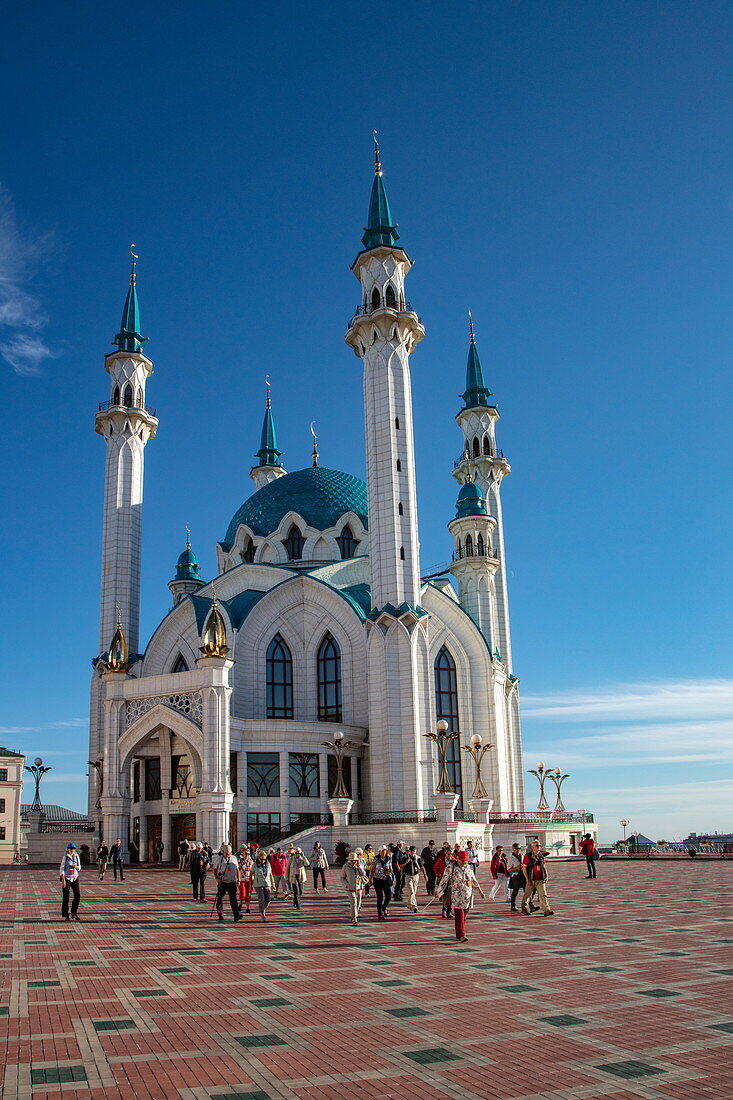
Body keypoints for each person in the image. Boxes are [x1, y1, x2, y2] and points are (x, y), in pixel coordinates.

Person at [436, 849, 485, 943]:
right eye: (462, 861)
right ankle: (461, 934)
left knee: (464, 914)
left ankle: (460, 933)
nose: (464, 863)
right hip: (457, 895)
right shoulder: (450, 868)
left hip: (467, 895)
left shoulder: (468, 867)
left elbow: (473, 880)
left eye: (465, 861)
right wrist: (438, 891)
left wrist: (480, 891)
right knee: (459, 915)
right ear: (458, 859)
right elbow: (444, 881)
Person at [521, 841, 554, 916]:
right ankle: (524, 908)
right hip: (531, 878)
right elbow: (524, 868)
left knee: (543, 894)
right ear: (532, 847)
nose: (539, 847)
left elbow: (544, 866)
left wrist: (546, 876)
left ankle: (546, 910)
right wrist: (527, 879)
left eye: (539, 845)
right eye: (537, 845)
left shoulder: (541, 855)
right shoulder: (528, 856)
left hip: (540, 879)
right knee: (527, 895)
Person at [214, 844, 242, 922]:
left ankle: (236, 915)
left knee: (233, 899)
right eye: (226, 853)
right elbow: (215, 869)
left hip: (232, 882)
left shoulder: (234, 858)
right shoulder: (219, 859)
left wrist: (238, 880)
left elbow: (237, 869)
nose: (228, 854)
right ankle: (220, 913)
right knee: (220, 899)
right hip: (222, 882)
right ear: (223, 852)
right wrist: (216, 878)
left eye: (229, 853)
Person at [341, 849, 368, 925]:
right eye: (352, 861)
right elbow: (342, 877)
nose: (353, 862)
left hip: (358, 886)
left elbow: (363, 874)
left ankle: (355, 913)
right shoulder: (346, 866)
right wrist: (346, 885)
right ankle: (354, 917)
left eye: (355, 860)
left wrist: (359, 866)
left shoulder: (357, 866)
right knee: (353, 901)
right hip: (350, 887)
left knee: (358, 902)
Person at [369, 845, 394, 921]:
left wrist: (389, 870)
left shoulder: (389, 858)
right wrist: (370, 880)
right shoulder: (376, 859)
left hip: (386, 879)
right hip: (377, 879)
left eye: (385, 851)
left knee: (389, 895)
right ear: (379, 851)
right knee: (380, 897)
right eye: (382, 851)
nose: (384, 852)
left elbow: (391, 868)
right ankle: (379, 913)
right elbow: (372, 869)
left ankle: (384, 908)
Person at [398, 845, 425, 913]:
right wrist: (406, 862)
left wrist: (425, 875)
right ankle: (414, 906)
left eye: (414, 852)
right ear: (409, 851)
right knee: (411, 891)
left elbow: (421, 867)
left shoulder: (418, 858)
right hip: (408, 876)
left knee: (414, 892)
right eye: (411, 851)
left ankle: (409, 904)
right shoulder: (405, 858)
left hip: (416, 876)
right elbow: (400, 866)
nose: (413, 853)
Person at [59, 843, 82, 922]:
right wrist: (62, 876)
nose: (72, 850)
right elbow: (62, 867)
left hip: (75, 877)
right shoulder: (65, 857)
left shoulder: (76, 856)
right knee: (66, 896)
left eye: (73, 849)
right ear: (67, 849)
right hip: (67, 877)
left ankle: (73, 912)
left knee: (77, 895)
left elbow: (80, 867)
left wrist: (76, 867)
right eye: (70, 849)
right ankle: (66, 915)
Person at [433, 843, 454, 918]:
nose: (450, 856)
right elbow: (436, 867)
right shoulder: (441, 859)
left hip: (451, 879)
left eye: (451, 854)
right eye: (448, 854)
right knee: (444, 895)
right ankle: (444, 911)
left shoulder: (453, 861)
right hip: (443, 878)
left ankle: (449, 911)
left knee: (450, 896)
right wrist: (438, 874)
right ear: (445, 853)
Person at [253, 849, 275, 921]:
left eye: (264, 859)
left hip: (267, 883)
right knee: (261, 899)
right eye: (262, 859)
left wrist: (273, 884)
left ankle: (262, 909)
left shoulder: (267, 864)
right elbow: (251, 874)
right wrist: (250, 885)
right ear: (259, 858)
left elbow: (271, 874)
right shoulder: (255, 864)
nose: (263, 861)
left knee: (268, 899)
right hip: (258, 883)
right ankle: (263, 914)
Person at [507, 842, 525, 912]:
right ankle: (513, 905)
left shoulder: (523, 856)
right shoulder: (511, 858)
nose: (518, 850)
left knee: (526, 890)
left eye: (520, 848)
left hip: (523, 875)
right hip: (515, 875)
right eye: (517, 849)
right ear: (513, 849)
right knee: (516, 890)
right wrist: (516, 868)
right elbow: (508, 869)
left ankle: (529, 904)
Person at [237, 846, 254, 913]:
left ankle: (247, 907)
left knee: (248, 894)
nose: (247, 855)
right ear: (243, 854)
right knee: (242, 893)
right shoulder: (240, 860)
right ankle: (240, 903)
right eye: (246, 854)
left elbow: (252, 870)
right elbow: (237, 869)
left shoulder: (251, 861)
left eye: (248, 854)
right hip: (242, 879)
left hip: (249, 879)